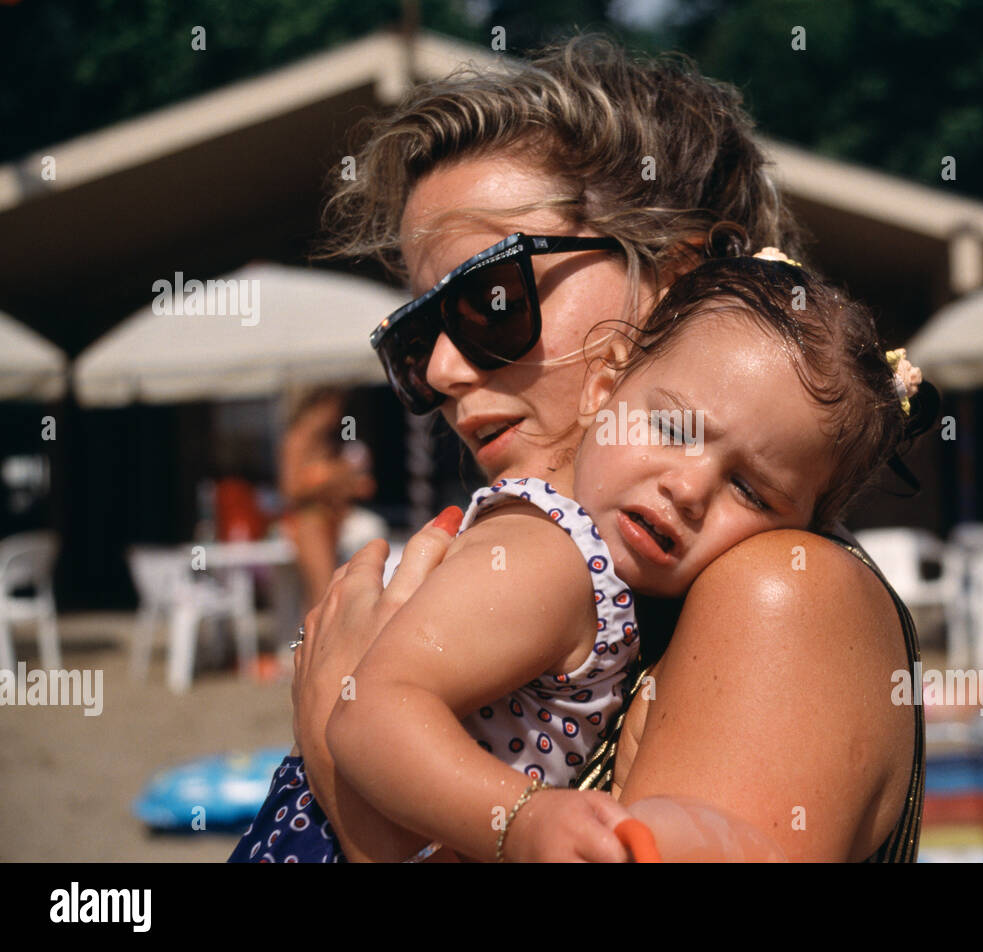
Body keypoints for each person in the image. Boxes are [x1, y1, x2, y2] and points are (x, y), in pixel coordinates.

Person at [289, 34, 928, 863]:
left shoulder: (779, 596)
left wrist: (336, 764)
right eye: (416, 336)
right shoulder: (610, 589)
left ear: (685, 277)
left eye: (490, 297)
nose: (444, 370)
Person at [233, 253, 933, 862]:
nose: (688, 488)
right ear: (610, 390)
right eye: (672, 427)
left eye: (497, 298)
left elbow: (355, 718)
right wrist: (522, 819)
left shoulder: (772, 590)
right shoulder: (550, 547)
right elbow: (376, 712)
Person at [278, 388, 378, 608]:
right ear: (316, 407)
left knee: (328, 591)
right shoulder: (299, 438)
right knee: (322, 592)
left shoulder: (326, 441)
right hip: (309, 521)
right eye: (332, 408)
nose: (335, 416)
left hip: (330, 518)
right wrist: (326, 478)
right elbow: (290, 489)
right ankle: (309, 642)